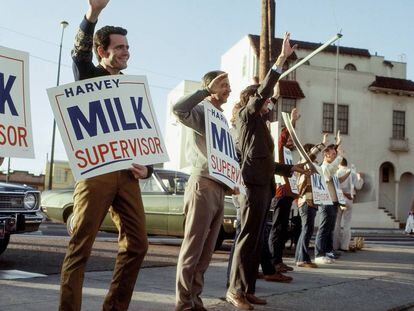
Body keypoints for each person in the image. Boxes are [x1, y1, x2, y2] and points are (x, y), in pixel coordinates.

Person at [59, 1, 152, 310]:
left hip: (127, 175)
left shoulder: (131, 88)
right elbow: (79, 54)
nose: (126, 51)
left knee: (138, 244)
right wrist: (93, 15)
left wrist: (148, 168)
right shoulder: (88, 75)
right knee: (80, 248)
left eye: (128, 46)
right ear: (103, 51)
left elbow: (142, 135)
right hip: (95, 173)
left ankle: (114, 307)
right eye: (120, 47)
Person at [226, 32, 309, 310]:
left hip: (264, 185)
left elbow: (263, 161)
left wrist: (290, 167)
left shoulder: (261, 126)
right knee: (247, 239)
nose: (271, 104)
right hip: (250, 187)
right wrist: (281, 61)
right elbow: (263, 92)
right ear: (255, 101)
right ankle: (235, 290)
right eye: (267, 101)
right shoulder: (246, 117)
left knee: (257, 239)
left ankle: (248, 289)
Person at [173, 70, 237, 311]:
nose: (228, 89)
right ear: (210, 87)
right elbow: (178, 110)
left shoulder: (221, 119)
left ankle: (195, 299)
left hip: (219, 188)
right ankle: (183, 304)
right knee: (193, 249)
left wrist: (233, 180)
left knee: (207, 251)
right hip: (202, 185)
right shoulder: (201, 111)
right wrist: (203, 93)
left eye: (229, 85)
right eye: (223, 85)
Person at [266, 108, 300, 281]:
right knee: (277, 228)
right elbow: (282, 139)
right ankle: (274, 260)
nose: (292, 142)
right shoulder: (279, 149)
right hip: (279, 194)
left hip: (287, 195)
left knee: (282, 227)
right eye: (290, 139)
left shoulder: (287, 154)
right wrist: (291, 123)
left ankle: (278, 259)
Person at [294, 137, 327, 268]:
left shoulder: (310, 167)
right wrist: (322, 144)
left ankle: (300, 257)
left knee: (306, 230)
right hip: (306, 201)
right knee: (307, 230)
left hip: (311, 202)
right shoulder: (304, 163)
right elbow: (311, 155)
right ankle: (302, 259)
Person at [314, 142, 344, 264]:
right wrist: (340, 158)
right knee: (324, 228)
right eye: (332, 153)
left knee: (330, 228)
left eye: (336, 154)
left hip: (334, 202)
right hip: (326, 201)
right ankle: (319, 253)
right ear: (325, 154)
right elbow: (327, 175)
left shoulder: (332, 167)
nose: (335, 156)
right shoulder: (324, 167)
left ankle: (327, 251)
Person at [333, 158, 364, 251]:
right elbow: (358, 186)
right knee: (347, 223)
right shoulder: (352, 173)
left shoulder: (337, 172)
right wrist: (360, 178)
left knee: (337, 223)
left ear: (339, 164)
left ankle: (335, 245)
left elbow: (335, 186)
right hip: (349, 199)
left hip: (339, 199)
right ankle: (344, 246)